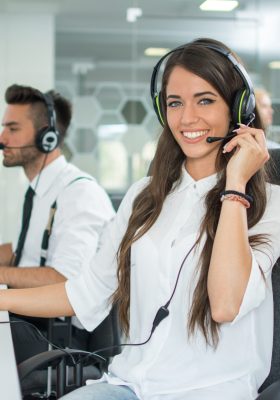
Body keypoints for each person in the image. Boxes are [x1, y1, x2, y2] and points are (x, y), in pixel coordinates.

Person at [1, 38, 280, 400]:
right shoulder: (143, 196)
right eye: (175, 103)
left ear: (238, 108)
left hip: (211, 391)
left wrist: (235, 184)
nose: (187, 118)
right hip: (131, 385)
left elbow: (226, 304)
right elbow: (84, 293)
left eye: (205, 100)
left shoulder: (267, 203)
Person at [0, 84, 115, 363]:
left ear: (47, 137)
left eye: (13, 129)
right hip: (32, 318)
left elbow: (64, 278)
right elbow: (23, 249)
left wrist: (1, 275)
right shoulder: (41, 191)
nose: (2, 138)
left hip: (60, 336)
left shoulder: (78, 194)